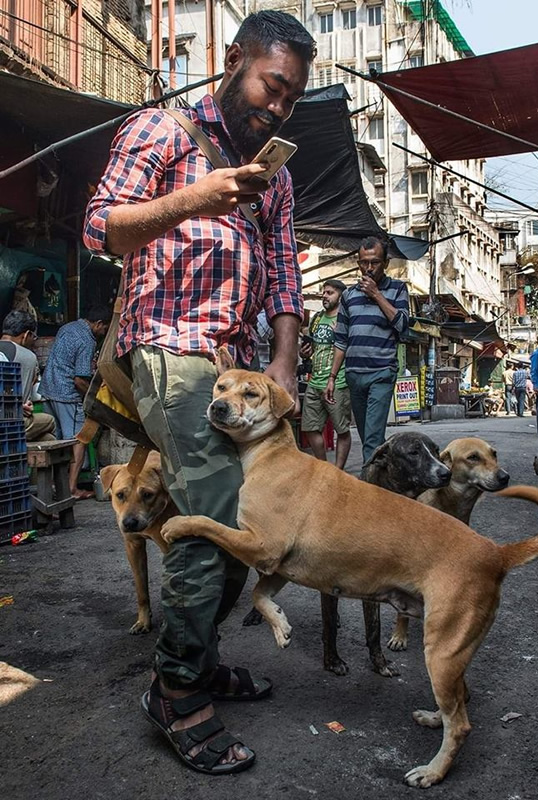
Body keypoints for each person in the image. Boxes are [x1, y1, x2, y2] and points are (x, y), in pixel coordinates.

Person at [83, 10, 314, 775]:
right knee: (214, 515)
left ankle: (200, 658)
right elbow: (100, 230)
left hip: (240, 374)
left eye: (291, 98)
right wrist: (195, 198)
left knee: (255, 527)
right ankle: (178, 692)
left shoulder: (275, 177)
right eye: (270, 86)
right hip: (168, 352)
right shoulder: (162, 130)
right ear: (232, 59)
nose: (276, 107)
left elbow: (284, 276)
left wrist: (284, 366)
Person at [325, 236, 409, 465]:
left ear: (386, 263)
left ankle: (369, 492)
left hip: (382, 372)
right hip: (354, 375)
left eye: (375, 262)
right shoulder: (349, 296)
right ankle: (388, 475)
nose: (369, 268)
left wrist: (376, 294)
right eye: (364, 262)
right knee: (369, 437)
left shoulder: (397, 289)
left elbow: (403, 327)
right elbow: (341, 339)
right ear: (357, 262)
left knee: (371, 439)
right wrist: (332, 377)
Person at [38, 306, 111, 497]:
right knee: (79, 440)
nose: (104, 334)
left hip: (48, 388)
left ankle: (56, 486)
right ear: (99, 324)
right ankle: (71, 488)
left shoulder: (68, 327)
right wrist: (97, 398)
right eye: (105, 329)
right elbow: (79, 380)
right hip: (66, 394)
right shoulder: (87, 340)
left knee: (56, 440)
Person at [300, 279, 351, 469]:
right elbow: (311, 348)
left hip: (338, 382)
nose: (324, 296)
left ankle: (338, 470)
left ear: (341, 296)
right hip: (315, 381)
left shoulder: (345, 320)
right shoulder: (317, 319)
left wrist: (333, 377)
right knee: (310, 428)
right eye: (324, 292)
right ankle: (324, 467)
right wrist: (304, 352)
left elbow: (347, 348)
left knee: (342, 430)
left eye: (330, 293)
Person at [0, 311, 56, 442]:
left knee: (47, 438)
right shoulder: (28, 356)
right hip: (13, 422)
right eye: (34, 337)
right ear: (26, 335)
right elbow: (33, 384)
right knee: (50, 421)